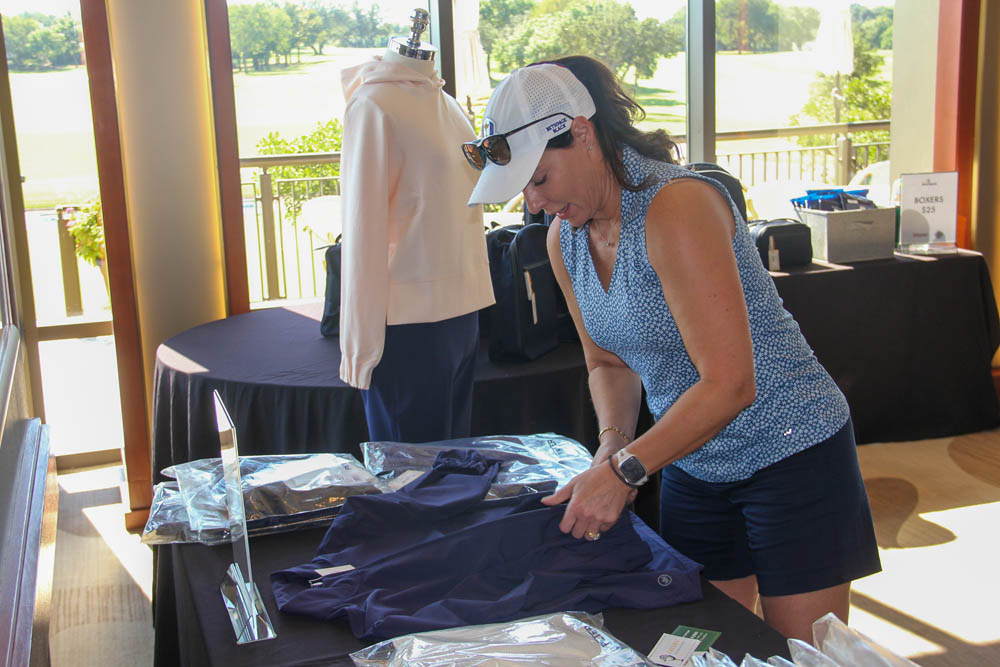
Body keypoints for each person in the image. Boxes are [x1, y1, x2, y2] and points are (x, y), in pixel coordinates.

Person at [463, 55, 880, 642]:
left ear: (582, 133)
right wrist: (614, 445)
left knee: (801, 649)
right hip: (689, 456)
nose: (532, 203)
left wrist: (626, 471)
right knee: (703, 643)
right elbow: (607, 362)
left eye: (539, 179)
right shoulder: (564, 239)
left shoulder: (675, 206)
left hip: (791, 451)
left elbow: (730, 383)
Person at [338, 15, 494, 443]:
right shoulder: (373, 105)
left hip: (462, 314)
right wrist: (360, 346)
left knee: (452, 462)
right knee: (410, 470)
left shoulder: (449, 106)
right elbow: (362, 229)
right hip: (408, 325)